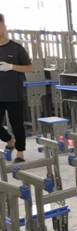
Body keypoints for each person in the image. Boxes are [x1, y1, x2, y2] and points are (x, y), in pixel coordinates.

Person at [0, 13, 32, 162]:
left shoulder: (16, 48)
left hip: (14, 94)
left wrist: (11, 66)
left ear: (4, 27)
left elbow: (29, 68)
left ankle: (20, 152)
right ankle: (9, 140)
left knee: (17, 124)